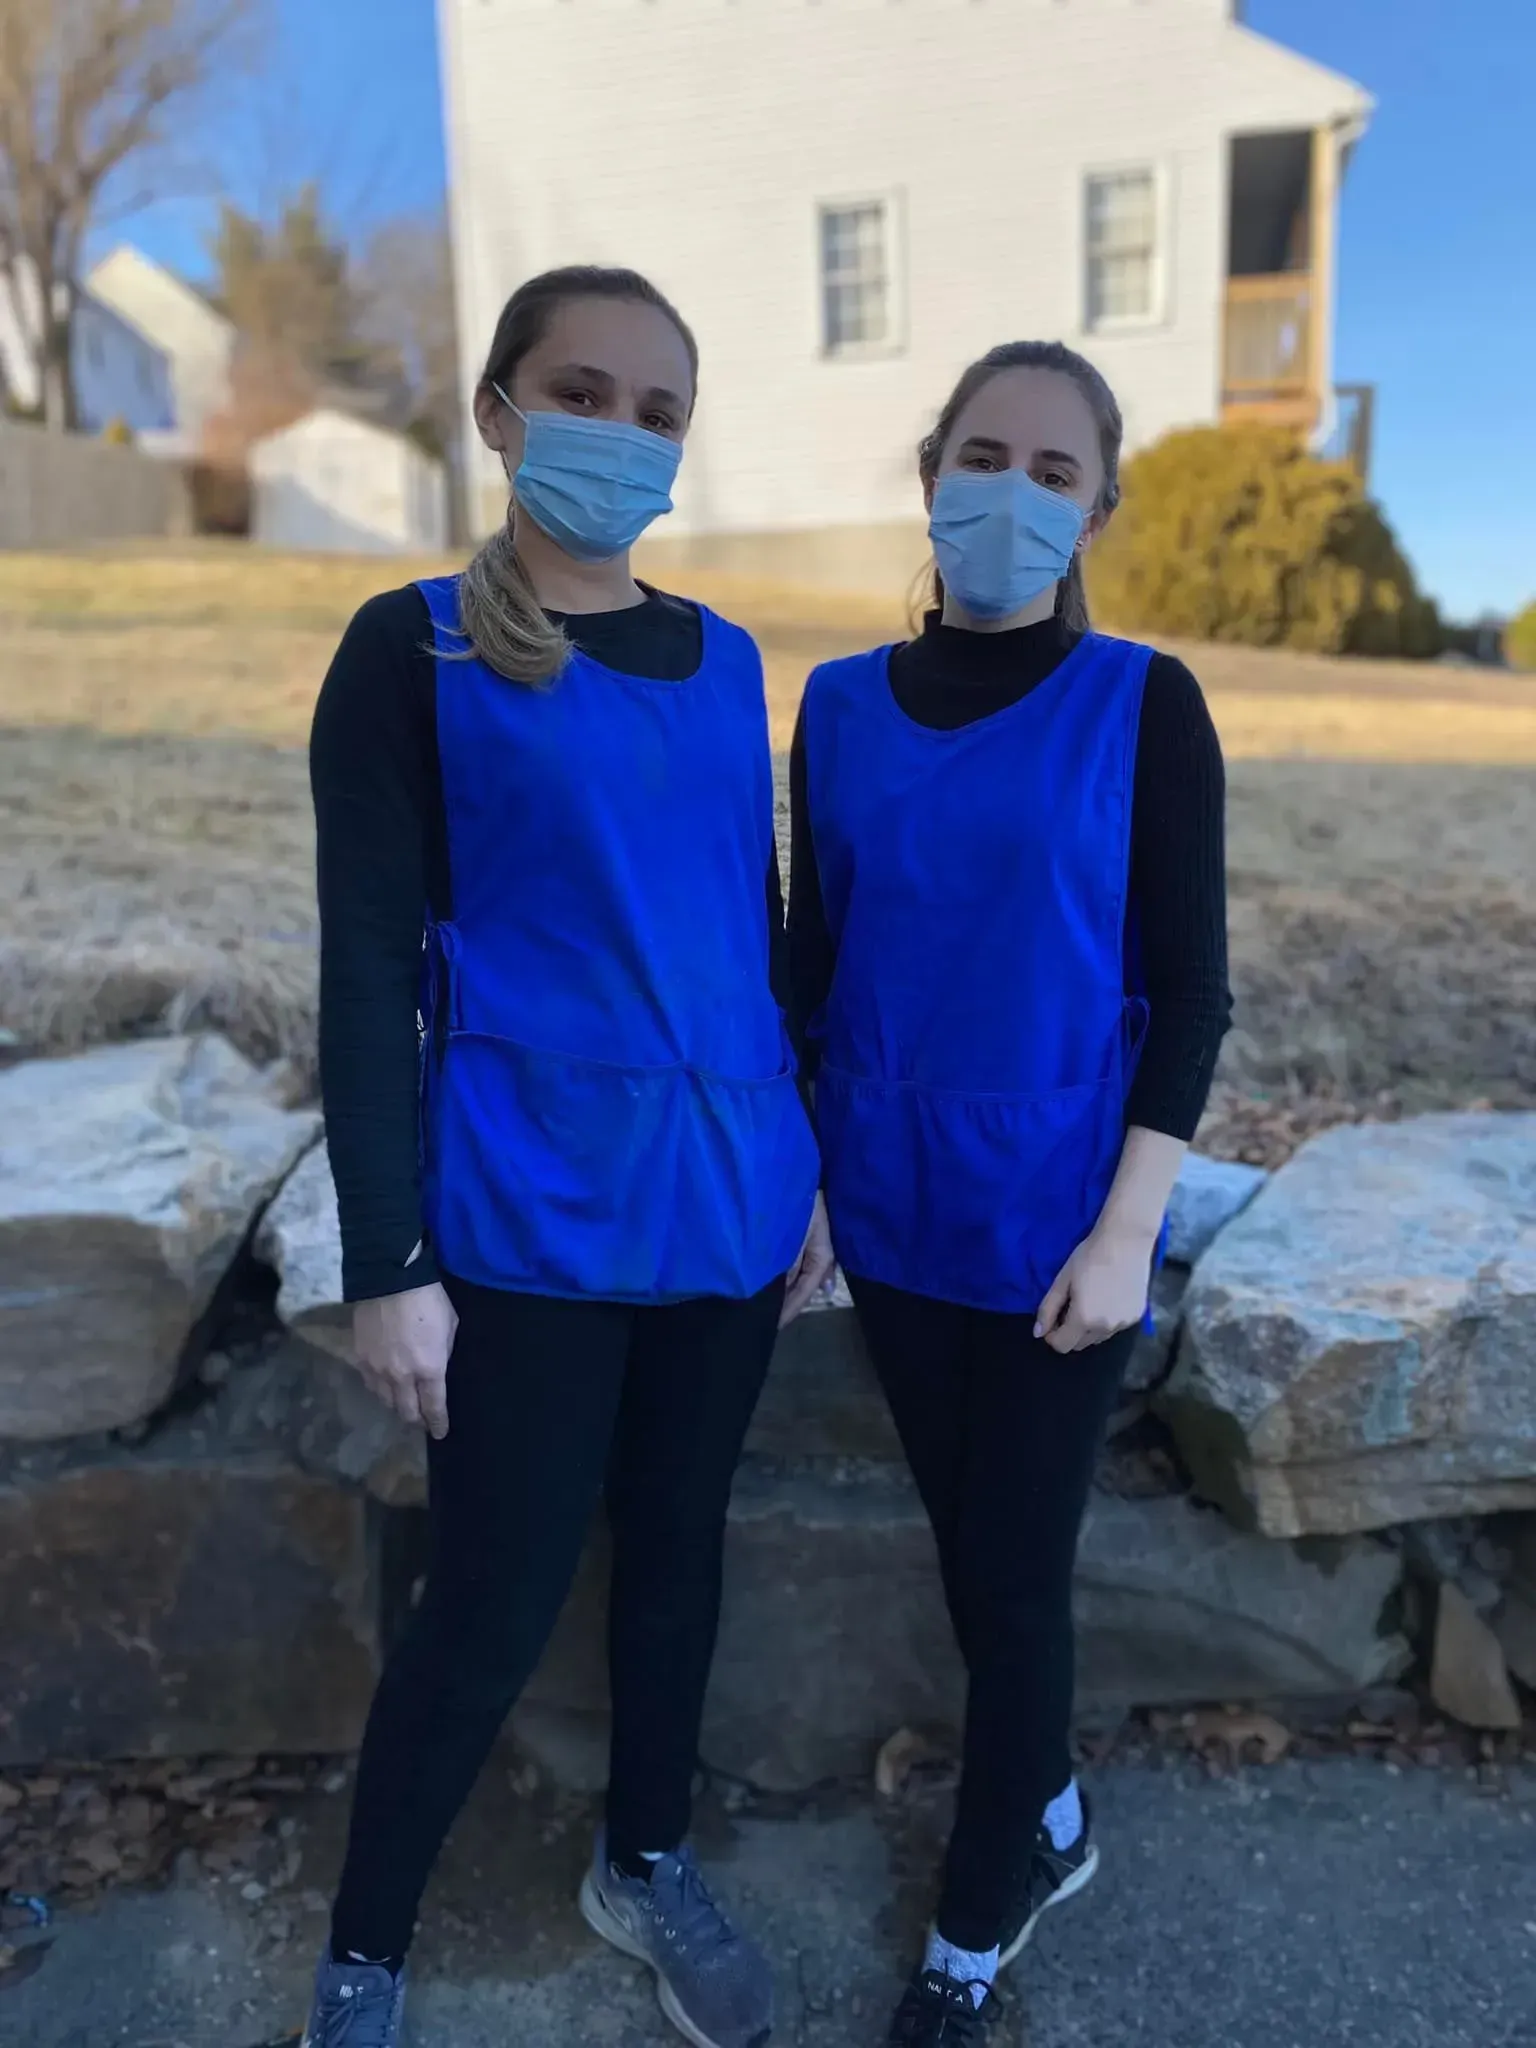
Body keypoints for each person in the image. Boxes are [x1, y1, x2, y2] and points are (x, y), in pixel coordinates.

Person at [303, 264, 831, 2048]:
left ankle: (647, 1860)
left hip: (729, 1207)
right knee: (492, 1602)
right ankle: (363, 1955)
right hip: (527, 1212)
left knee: (678, 1560)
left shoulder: (728, 660)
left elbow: (752, 936)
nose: (621, 433)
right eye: (582, 393)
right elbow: (368, 970)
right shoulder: (412, 650)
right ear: (501, 411)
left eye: (657, 411)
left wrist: (806, 1166)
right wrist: (389, 1259)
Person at [788, 341, 1231, 2044]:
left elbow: (1190, 996)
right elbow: (813, 961)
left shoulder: (1144, 706)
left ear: (1096, 511)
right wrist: (810, 1181)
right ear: (931, 475)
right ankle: (1048, 1807)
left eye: (1056, 472)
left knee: (1019, 1579)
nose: (1014, 492)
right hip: (891, 1209)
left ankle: (974, 1928)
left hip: (1060, 1231)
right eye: (986, 456)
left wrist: (1129, 1233)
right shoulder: (837, 710)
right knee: (974, 1565)